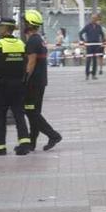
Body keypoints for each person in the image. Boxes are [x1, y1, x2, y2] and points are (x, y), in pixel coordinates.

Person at [0, 17, 31, 156]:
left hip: (2, 84)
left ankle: (0, 147)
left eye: (0, 27)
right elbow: (25, 62)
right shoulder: (21, 44)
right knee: (19, 113)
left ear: (4, 29)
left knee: (0, 116)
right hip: (18, 83)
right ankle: (24, 144)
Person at [22, 10, 61, 151]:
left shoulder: (32, 41)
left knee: (30, 112)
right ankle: (32, 142)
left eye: (25, 22)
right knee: (35, 112)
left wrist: (25, 78)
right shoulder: (40, 40)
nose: (23, 24)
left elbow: (31, 62)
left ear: (29, 24)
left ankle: (53, 135)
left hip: (32, 84)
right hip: (40, 82)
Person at [79, 13, 106, 80]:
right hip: (89, 44)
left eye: (95, 18)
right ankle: (87, 75)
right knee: (88, 60)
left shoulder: (98, 26)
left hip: (96, 44)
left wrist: (102, 42)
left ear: (97, 19)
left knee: (95, 60)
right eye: (92, 18)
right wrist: (83, 41)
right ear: (91, 18)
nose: (93, 19)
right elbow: (80, 33)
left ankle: (93, 74)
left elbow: (102, 35)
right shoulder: (88, 26)